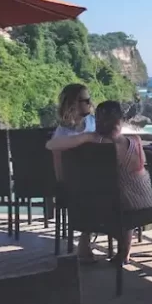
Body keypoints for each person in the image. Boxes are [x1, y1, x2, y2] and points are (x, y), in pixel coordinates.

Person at [46, 100, 152, 265]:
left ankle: (84, 246)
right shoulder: (134, 142)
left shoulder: (88, 145)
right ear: (120, 120)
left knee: (106, 190)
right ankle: (123, 253)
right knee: (132, 195)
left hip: (93, 205)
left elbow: (51, 145)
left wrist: (87, 136)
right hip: (126, 205)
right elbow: (140, 166)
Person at [50, 83, 96, 261]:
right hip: (76, 184)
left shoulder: (94, 122)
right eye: (85, 100)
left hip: (96, 178)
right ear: (73, 104)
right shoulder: (62, 132)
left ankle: (122, 248)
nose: (90, 103)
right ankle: (85, 241)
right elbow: (57, 161)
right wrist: (61, 184)